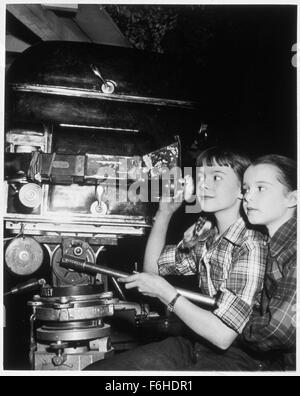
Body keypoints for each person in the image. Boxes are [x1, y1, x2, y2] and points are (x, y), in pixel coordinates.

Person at [84, 147, 269, 371]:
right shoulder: (207, 238)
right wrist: (165, 213)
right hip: (199, 344)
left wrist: (166, 293)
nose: (203, 184)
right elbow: (152, 270)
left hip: (241, 355)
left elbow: (223, 335)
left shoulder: (250, 245)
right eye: (200, 176)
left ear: (243, 189)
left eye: (216, 177)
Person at [239, 154, 297, 370]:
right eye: (246, 189)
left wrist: (229, 326)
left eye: (261, 188)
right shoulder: (269, 241)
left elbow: (278, 330)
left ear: (293, 198)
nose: (248, 197)